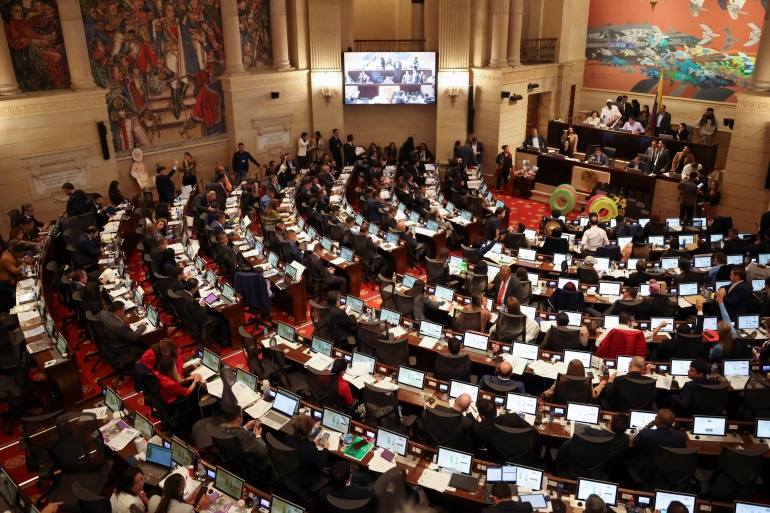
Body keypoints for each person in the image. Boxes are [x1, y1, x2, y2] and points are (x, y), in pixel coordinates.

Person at [628, 409, 686, 478]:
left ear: (658, 421)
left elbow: (635, 443)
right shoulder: (680, 436)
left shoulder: (646, 434)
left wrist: (647, 427)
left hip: (648, 469)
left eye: (656, 416)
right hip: (670, 470)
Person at [283, 414, 330, 488]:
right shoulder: (310, 450)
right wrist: (326, 449)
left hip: (292, 470)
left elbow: (301, 443)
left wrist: (313, 443)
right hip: (305, 477)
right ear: (309, 431)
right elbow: (320, 464)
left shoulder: (288, 438)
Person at [595, 312, 665, 358]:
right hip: (630, 361)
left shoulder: (610, 330)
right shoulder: (637, 333)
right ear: (629, 322)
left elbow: (597, 343)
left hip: (611, 359)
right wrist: (660, 326)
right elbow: (652, 334)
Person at [218, 405, 269, 469]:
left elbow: (234, 431)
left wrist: (245, 427)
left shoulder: (221, 427)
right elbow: (262, 453)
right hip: (252, 462)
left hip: (231, 454)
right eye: (242, 415)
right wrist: (258, 436)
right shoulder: (245, 435)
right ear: (238, 419)